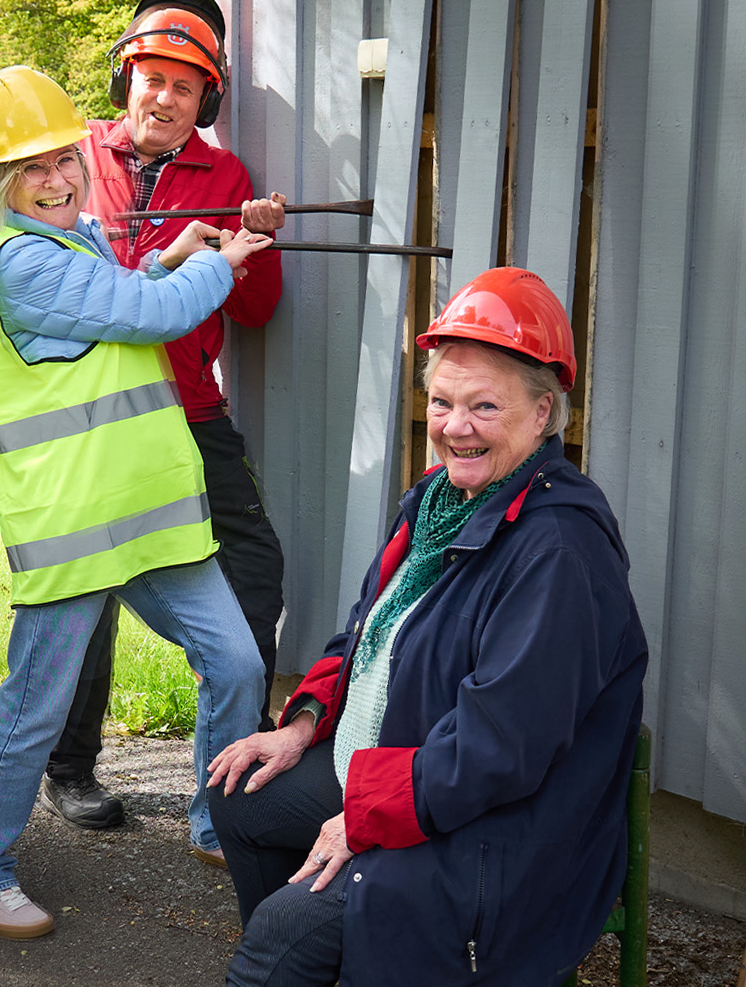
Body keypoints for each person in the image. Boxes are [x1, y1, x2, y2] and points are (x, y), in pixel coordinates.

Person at [205, 268, 649, 985]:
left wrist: (362, 818)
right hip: (414, 766)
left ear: (543, 413)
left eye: (484, 406)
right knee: (242, 797)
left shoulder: (559, 552)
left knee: (285, 932)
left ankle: (305, 942)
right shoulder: (440, 503)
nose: (455, 427)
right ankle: (320, 955)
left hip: (503, 828)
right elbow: (368, 633)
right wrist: (302, 724)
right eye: (442, 402)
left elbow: (498, 749)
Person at [0, 65, 271, 938]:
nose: (56, 179)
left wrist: (175, 255)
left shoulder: (68, 240)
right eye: (31, 168)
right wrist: (221, 263)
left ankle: (216, 823)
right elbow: (146, 315)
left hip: (149, 516)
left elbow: (114, 308)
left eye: (64, 159)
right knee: (34, 708)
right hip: (75, 525)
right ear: (0, 181)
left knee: (238, 665)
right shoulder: (17, 259)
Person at [44, 0, 290, 843]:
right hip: (94, 413)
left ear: (204, 102)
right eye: (153, 79)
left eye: (185, 88)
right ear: (127, 81)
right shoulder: (71, 155)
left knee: (254, 566)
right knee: (89, 583)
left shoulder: (228, 178)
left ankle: (230, 778)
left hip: (189, 408)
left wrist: (255, 245)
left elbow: (255, 310)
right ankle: (69, 767)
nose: (165, 98)